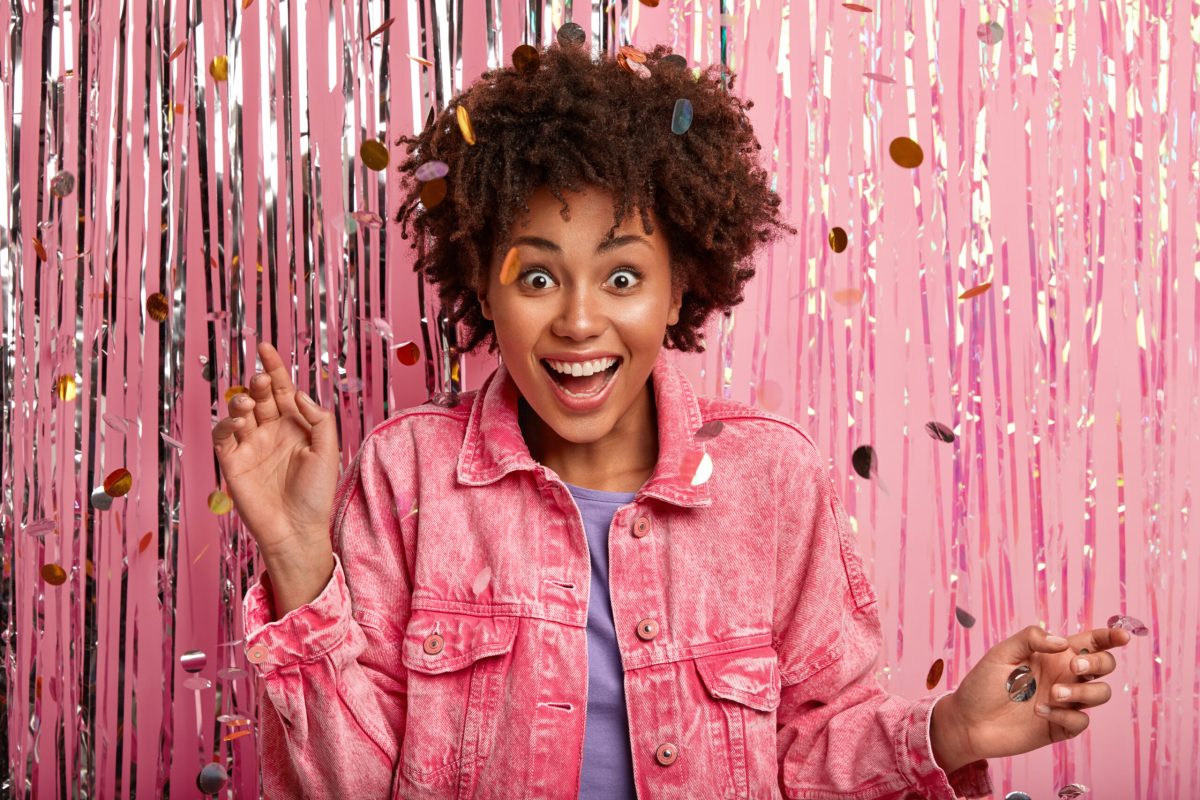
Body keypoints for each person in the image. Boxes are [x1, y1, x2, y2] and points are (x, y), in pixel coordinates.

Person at [211, 40, 1132, 800]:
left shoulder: (772, 481)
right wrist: (298, 559)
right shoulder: (403, 475)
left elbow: (815, 751)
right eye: (537, 276)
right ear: (483, 284)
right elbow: (353, 786)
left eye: (621, 276)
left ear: (678, 284)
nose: (577, 321)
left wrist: (949, 729)